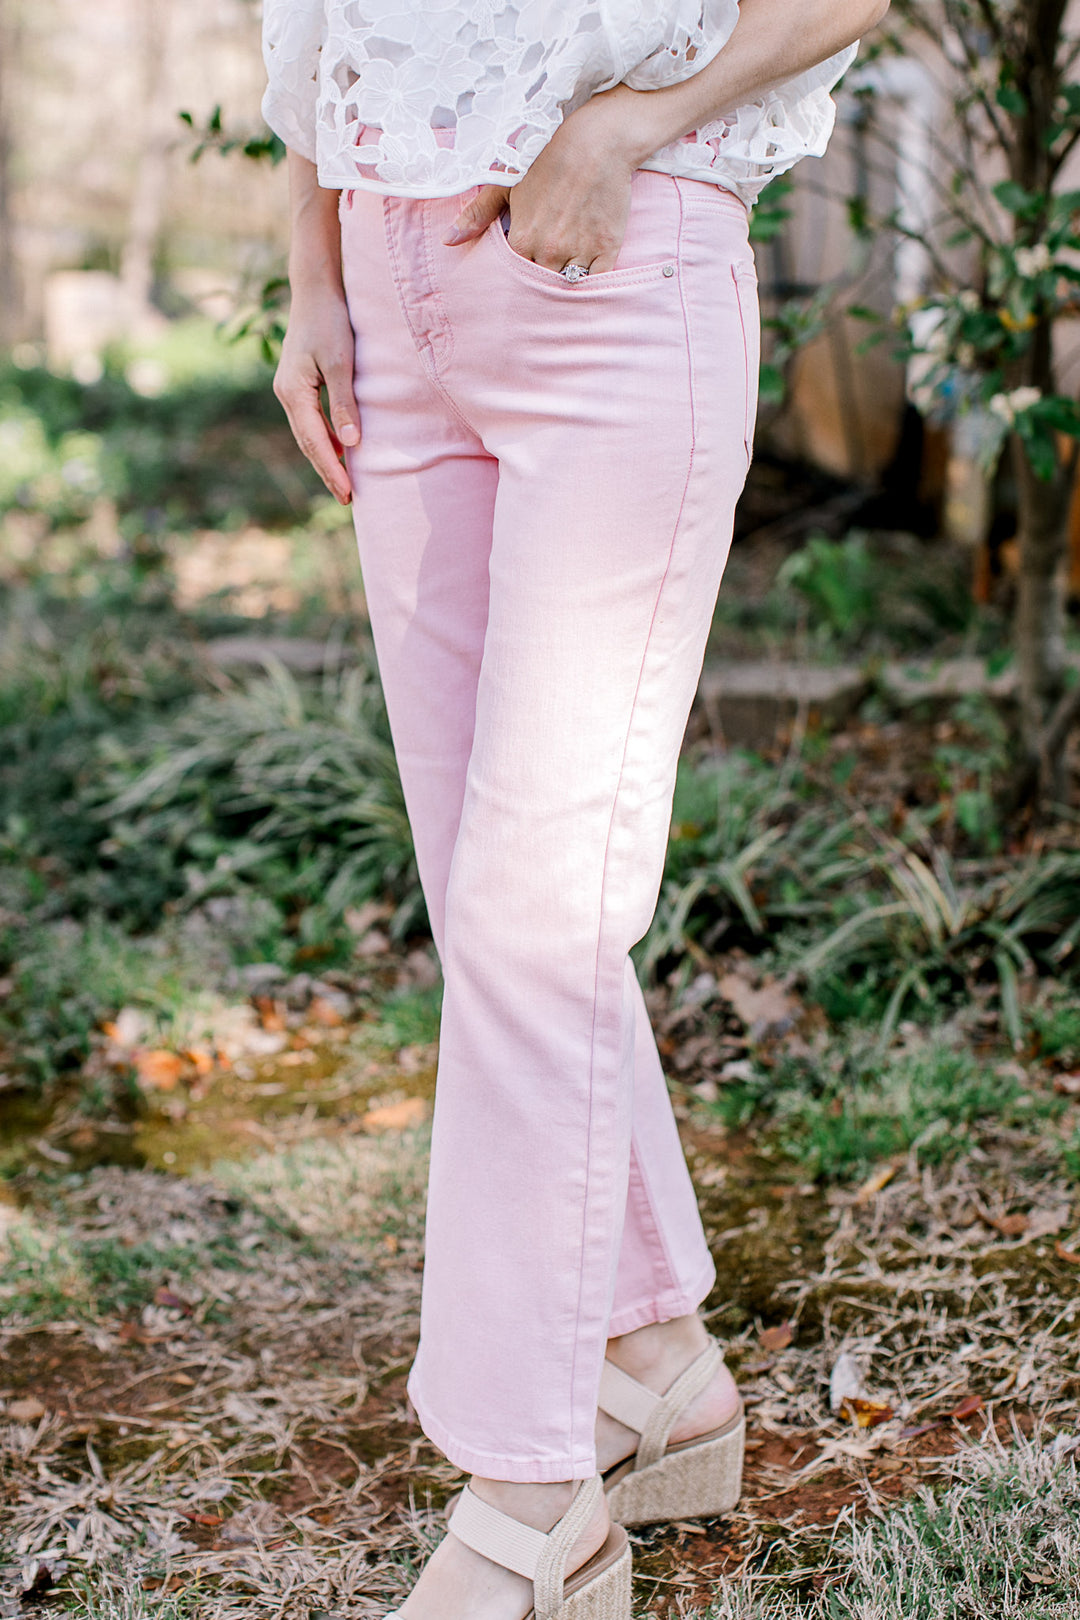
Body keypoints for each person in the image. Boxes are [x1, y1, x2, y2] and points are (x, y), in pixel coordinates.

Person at [262, 2, 886, 1615]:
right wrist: (316, 271)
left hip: (615, 253)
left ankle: (535, 1503)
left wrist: (623, 125)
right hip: (389, 278)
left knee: (539, 904)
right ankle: (656, 1364)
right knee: (489, 892)